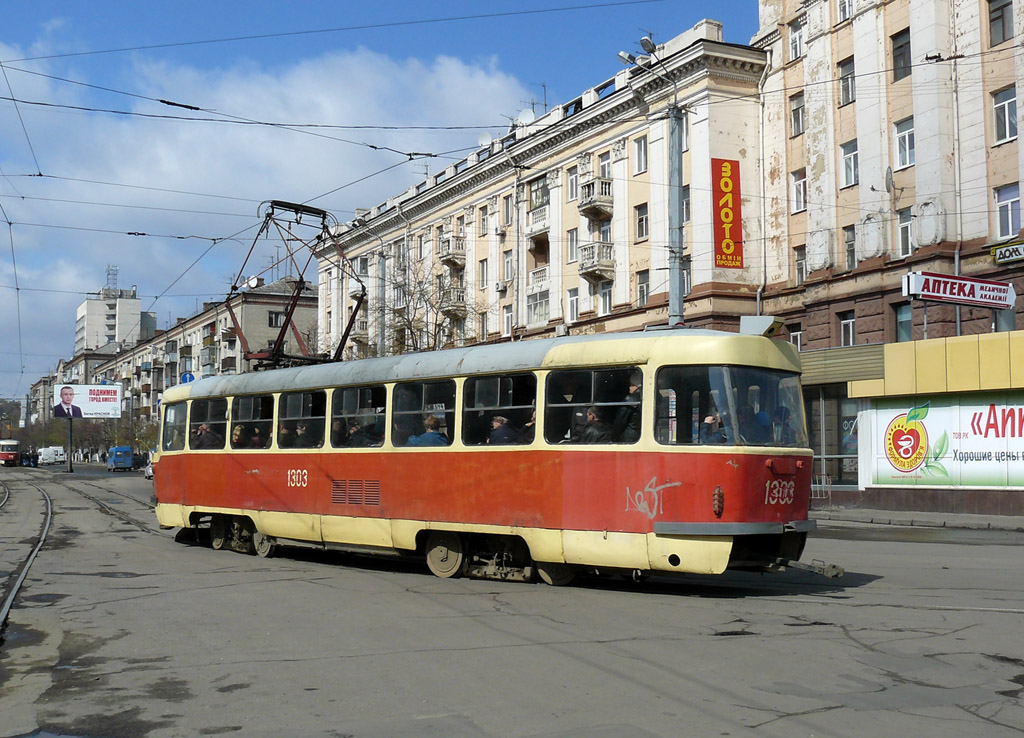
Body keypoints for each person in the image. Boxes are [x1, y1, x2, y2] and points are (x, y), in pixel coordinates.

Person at [612, 371, 642, 443]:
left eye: (631, 385)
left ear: (636, 385)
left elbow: (620, 421)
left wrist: (613, 437)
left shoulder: (630, 399)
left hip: (629, 438)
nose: (629, 388)